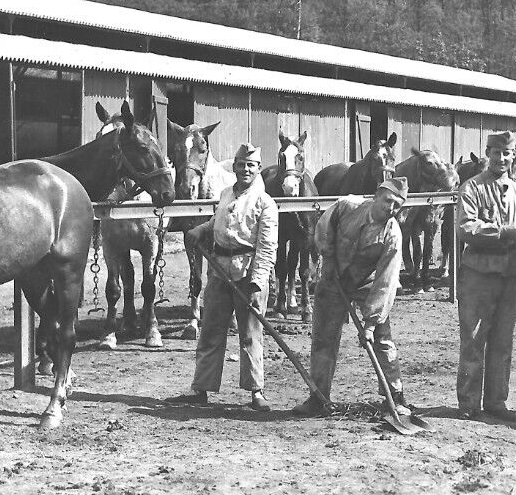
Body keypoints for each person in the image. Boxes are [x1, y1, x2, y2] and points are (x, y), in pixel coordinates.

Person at [167, 143, 278, 411]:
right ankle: (201, 389)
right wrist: (202, 230)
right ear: (235, 167)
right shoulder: (226, 193)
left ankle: (256, 391)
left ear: (258, 169)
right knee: (211, 330)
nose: (245, 170)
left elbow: (267, 248)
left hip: (247, 274)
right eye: (241, 165)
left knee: (251, 334)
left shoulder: (265, 202)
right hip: (218, 271)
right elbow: (219, 220)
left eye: (250, 165)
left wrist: (257, 282)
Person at [293, 177, 409, 416]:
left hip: (366, 282)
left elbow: (385, 283)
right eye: (387, 201)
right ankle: (319, 397)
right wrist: (328, 258)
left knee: (382, 339)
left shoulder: (393, 236)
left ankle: (395, 397)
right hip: (333, 275)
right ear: (376, 196)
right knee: (324, 337)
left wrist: (370, 323)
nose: (390, 208)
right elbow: (324, 227)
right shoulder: (348, 205)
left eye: (397, 205)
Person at [454, 131, 516, 420]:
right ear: (487, 153)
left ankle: (497, 402)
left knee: (503, 341)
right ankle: (468, 403)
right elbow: (466, 228)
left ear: (514, 157)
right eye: (496, 153)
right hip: (478, 274)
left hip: (510, 276)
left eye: (506, 154)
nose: (501, 159)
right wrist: (502, 232)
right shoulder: (472, 188)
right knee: (473, 339)